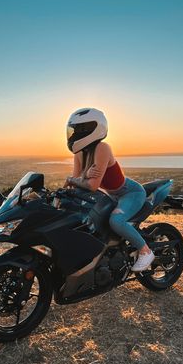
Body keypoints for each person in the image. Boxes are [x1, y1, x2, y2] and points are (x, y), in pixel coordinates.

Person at [64, 107, 155, 272]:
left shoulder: (102, 148)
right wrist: (78, 179)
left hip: (129, 192)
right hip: (111, 195)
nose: (74, 134)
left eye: (79, 130)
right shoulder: (79, 153)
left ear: (92, 129)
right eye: (73, 130)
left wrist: (76, 179)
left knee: (116, 221)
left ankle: (145, 251)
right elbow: (74, 183)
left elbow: (90, 185)